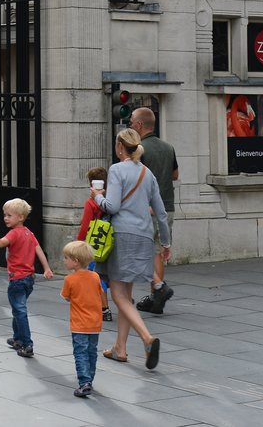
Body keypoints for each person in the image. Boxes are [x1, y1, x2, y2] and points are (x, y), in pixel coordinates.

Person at [95, 127, 170, 370]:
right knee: (126, 295)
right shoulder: (147, 174)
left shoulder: (117, 170)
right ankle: (120, 348)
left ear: (120, 147)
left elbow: (112, 206)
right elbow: (161, 212)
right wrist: (166, 243)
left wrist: (97, 196)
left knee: (117, 295)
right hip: (144, 237)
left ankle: (147, 339)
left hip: (123, 235)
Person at [0, 198, 54, 358]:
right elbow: (39, 250)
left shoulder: (14, 233)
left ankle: (27, 344)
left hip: (17, 279)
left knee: (19, 310)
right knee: (18, 308)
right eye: (5, 215)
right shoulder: (28, 233)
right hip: (29, 279)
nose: (5, 218)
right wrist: (46, 268)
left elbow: (0, 243)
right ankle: (18, 339)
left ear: (20, 217)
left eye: (9, 215)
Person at [131, 107, 178, 315]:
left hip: (147, 208)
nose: (130, 124)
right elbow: (175, 175)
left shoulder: (140, 149)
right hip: (167, 206)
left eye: (132, 121)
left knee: (144, 252)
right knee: (158, 252)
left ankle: (159, 288)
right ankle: (156, 296)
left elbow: (134, 179)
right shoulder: (169, 147)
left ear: (140, 125)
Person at [60, 241, 103, 398]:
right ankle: (90, 379)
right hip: (95, 323)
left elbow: (66, 297)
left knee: (80, 353)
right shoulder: (95, 276)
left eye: (66, 258)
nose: (64, 260)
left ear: (75, 261)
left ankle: (84, 382)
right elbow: (100, 294)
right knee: (92, 352)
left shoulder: (70, 279)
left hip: (79, 324)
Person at [75, 166, 113, 322]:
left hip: (93, 244)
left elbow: (85, 225)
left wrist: (78, 242)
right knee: (104, 275)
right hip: (107, 242)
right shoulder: (109, 201)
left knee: (95, 275)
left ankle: (104, 308)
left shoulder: (90, 203)